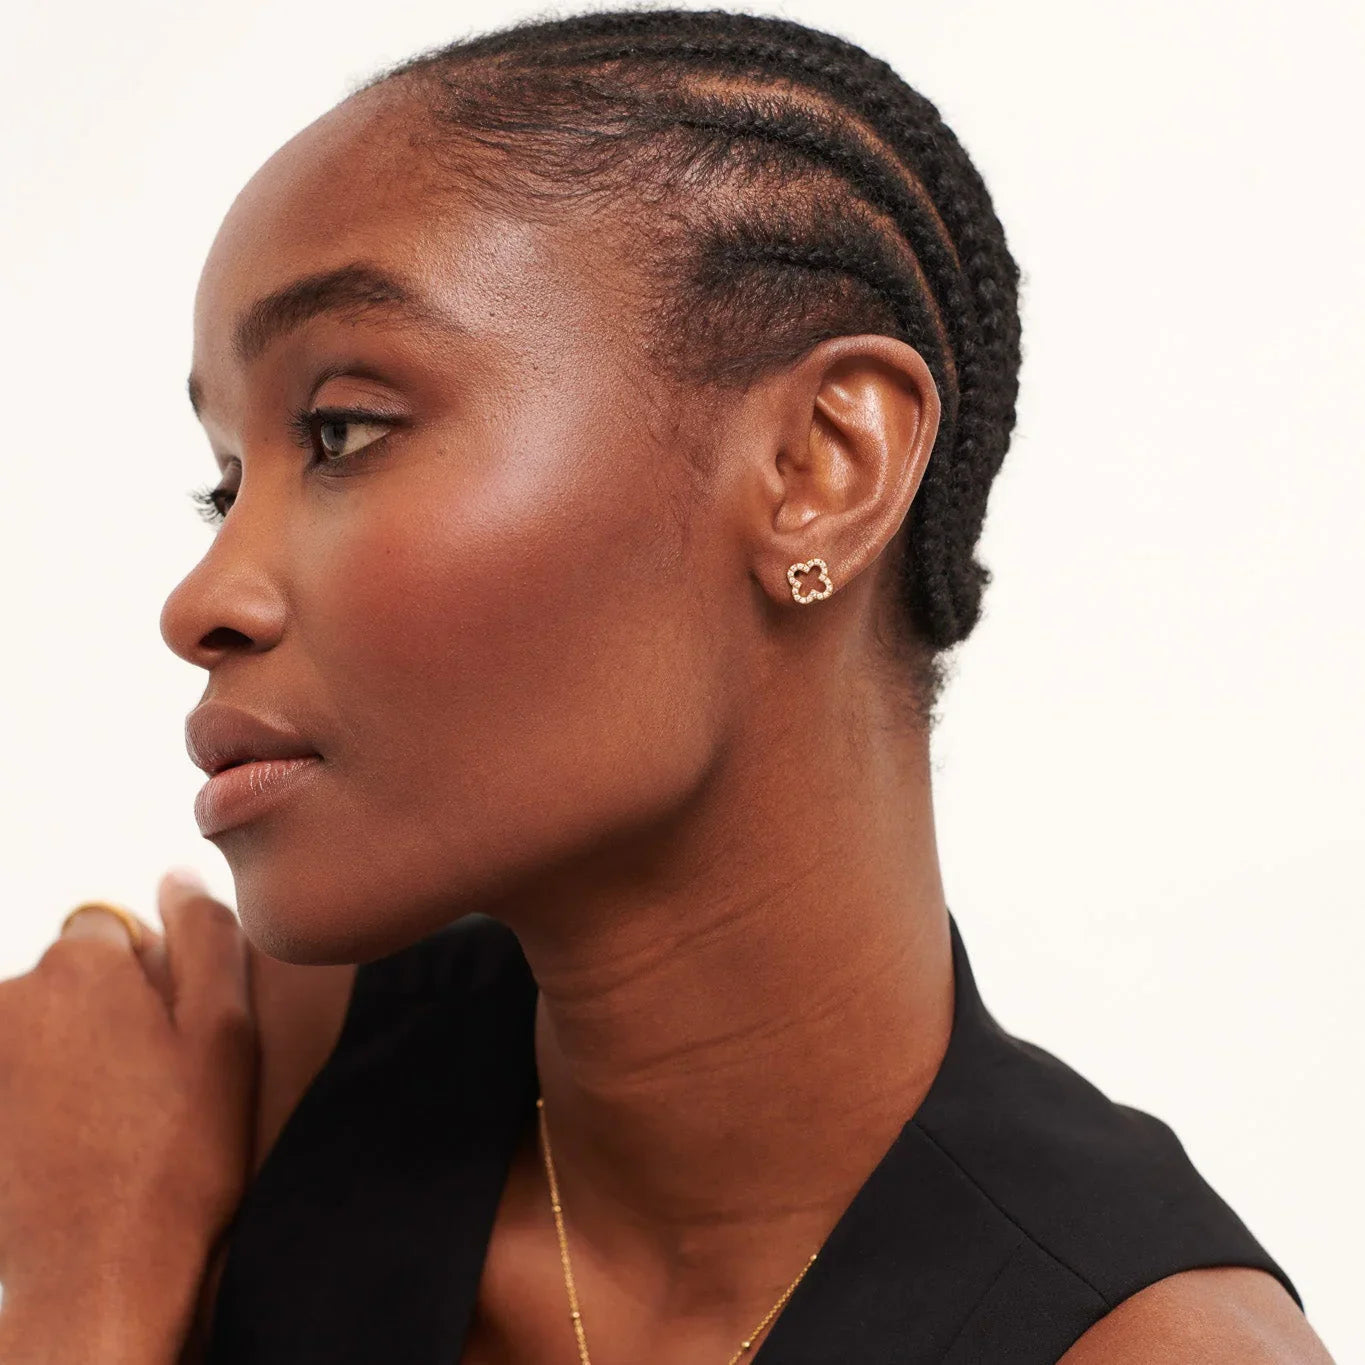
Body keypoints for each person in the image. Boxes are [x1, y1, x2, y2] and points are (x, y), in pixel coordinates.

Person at [0, 9, 1335, 1363]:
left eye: (340, 432)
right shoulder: (249, 1080)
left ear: (817, 466)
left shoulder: (1145, 1346)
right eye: (225, 484)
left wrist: (82, 1307)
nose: (201, 600)